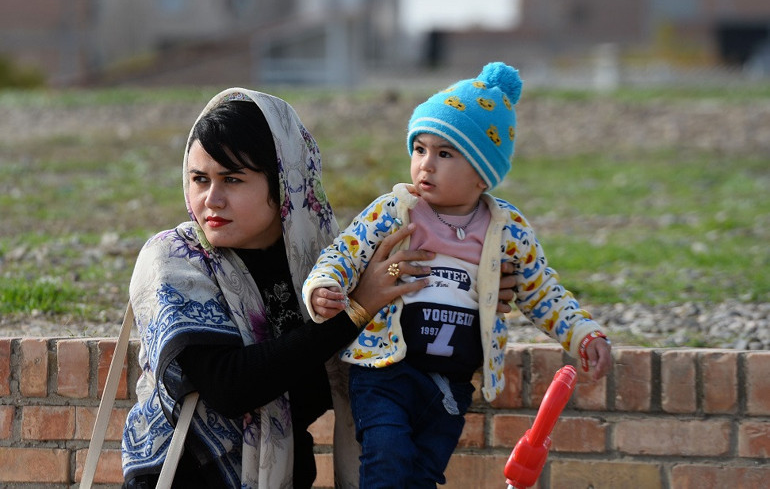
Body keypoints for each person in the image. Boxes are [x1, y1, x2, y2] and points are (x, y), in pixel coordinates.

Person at [303, 62, 613, 488]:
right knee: (386, 460)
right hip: (385, 370)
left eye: (445, 153)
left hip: (450, 381)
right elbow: (345, 250)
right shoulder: (394, 211)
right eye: (419, 150)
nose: (426, 165)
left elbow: (543, 292)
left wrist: (583, 334)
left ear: (483, 172)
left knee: (424, 472)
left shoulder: (508, 230)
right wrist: (323, 285)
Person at [120, 88, 443, 488]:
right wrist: (355, 311)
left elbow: (337, 377)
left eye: (232, 179)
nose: (211, 199)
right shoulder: (174, 260)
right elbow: (229, 387)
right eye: (199, 179)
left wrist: (476, 292)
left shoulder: (319, 268)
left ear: (285, 183)